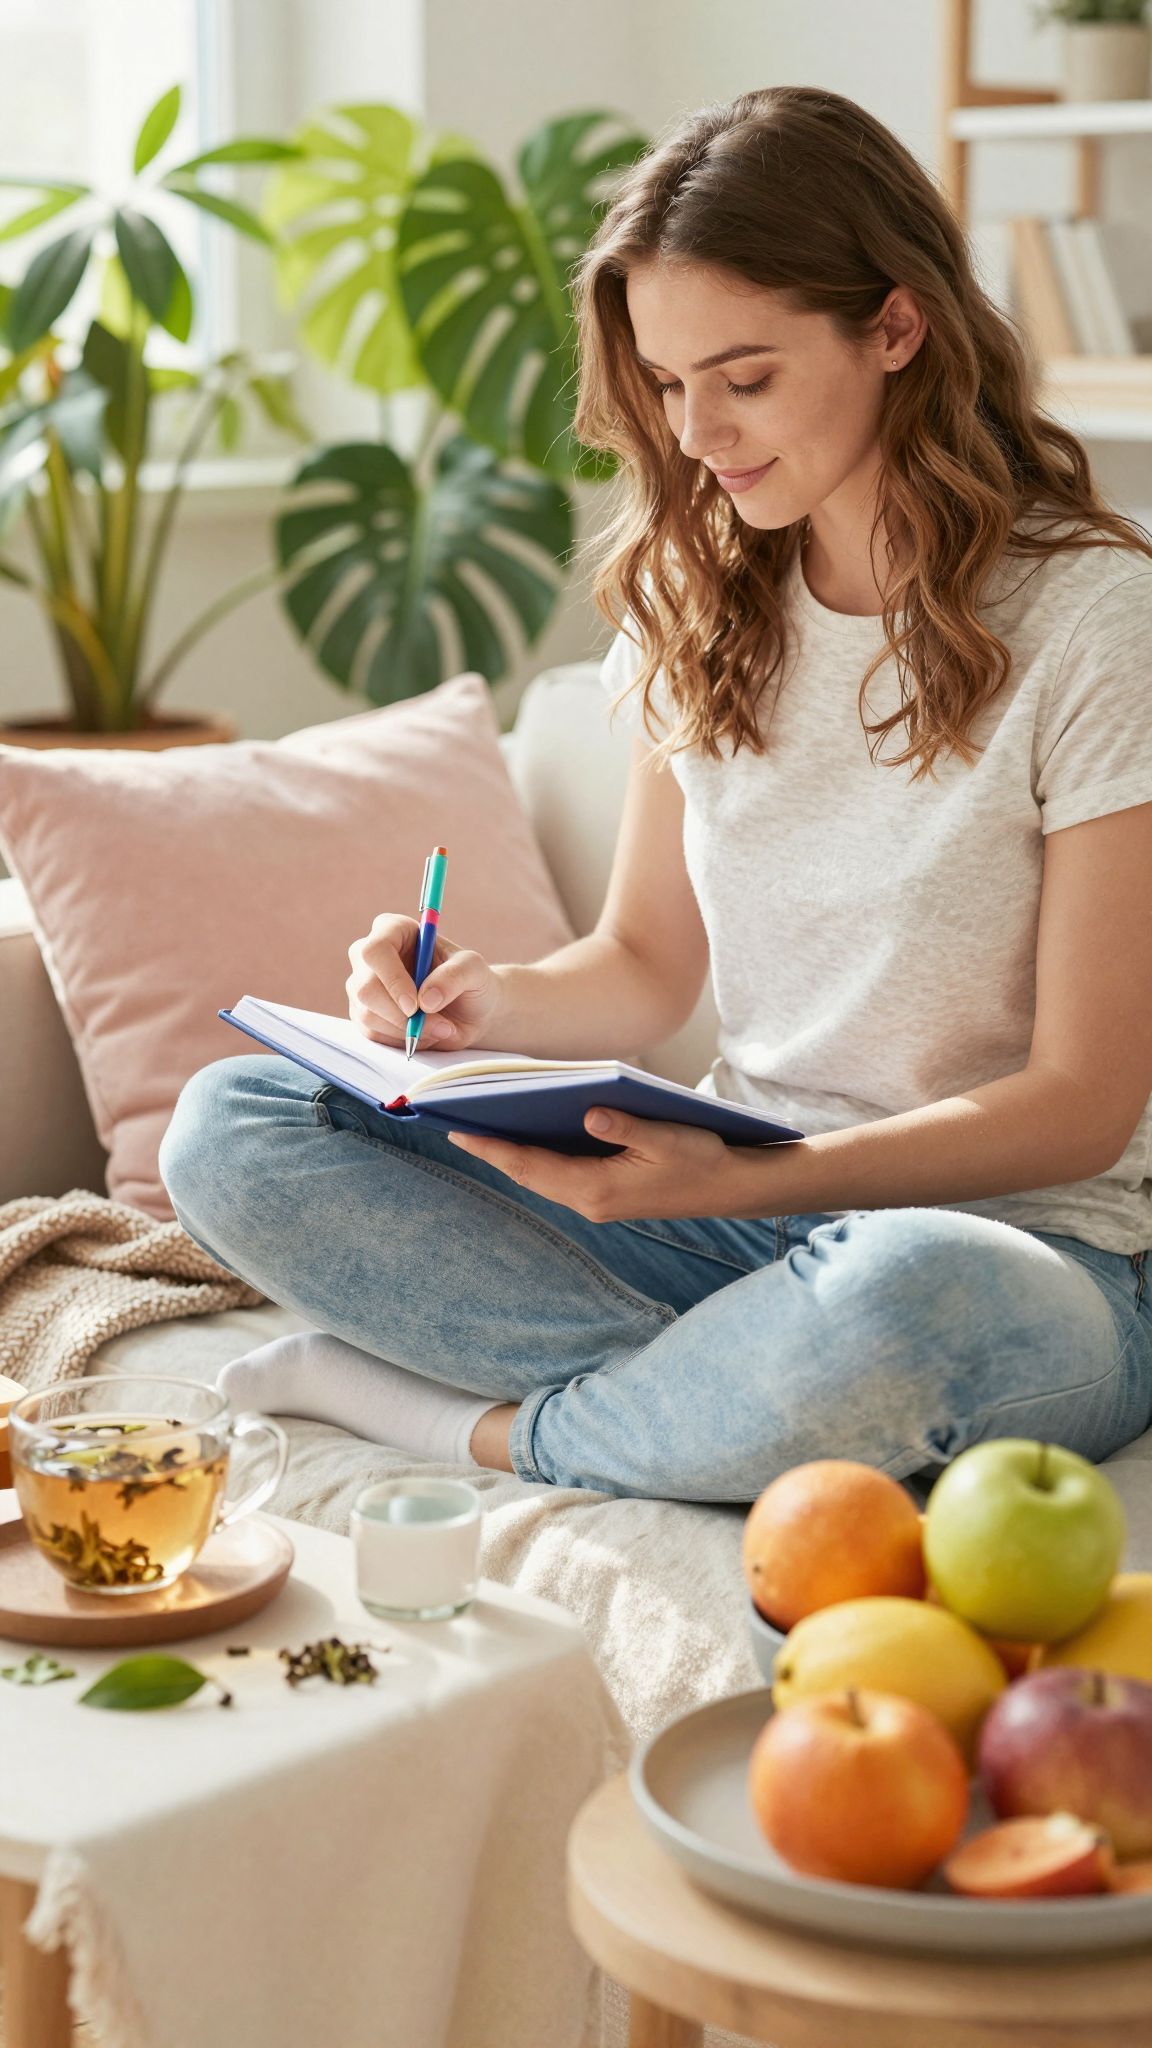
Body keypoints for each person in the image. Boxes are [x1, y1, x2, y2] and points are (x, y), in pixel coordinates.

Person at [159, 84, 1152, 1505]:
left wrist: (752, 1180)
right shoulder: (697, 600)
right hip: (725, 1230)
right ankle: (735, 1397)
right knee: (237, 1123)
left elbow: (1082, 1106)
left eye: (743, 379)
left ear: (894, 327)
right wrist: (479, 1009)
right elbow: (640, 966)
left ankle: (477, 1423)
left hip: (1018, 1254)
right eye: (668, 385)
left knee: (914, 1300)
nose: (698, 435)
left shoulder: (1099, 621)